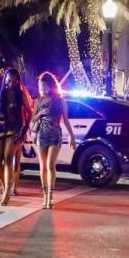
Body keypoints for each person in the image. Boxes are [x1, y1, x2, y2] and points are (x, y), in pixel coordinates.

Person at [0, 68, 33, 205]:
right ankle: (5, 186)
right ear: (5, 79)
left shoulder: (21, 94)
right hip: (0, 127)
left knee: (8, 158)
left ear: (17, 81)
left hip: (15, 128)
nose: (11, 82)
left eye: (14, 80)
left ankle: (7, 191)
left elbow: (29, 112)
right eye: (9, 79)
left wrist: (24, 130)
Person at [30, 72, 76, 209]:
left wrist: (72, 137)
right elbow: (32, 119)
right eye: (40, 88)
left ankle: (50, 196)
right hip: (41, 134)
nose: (42, 90)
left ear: (51, 86)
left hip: (55, 134)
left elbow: (66, 120)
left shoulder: (60, 101)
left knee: (50, 165)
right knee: (42, 166)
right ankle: (44, 197)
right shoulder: (38, 101)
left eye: (45, 87)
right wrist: (40, 113)